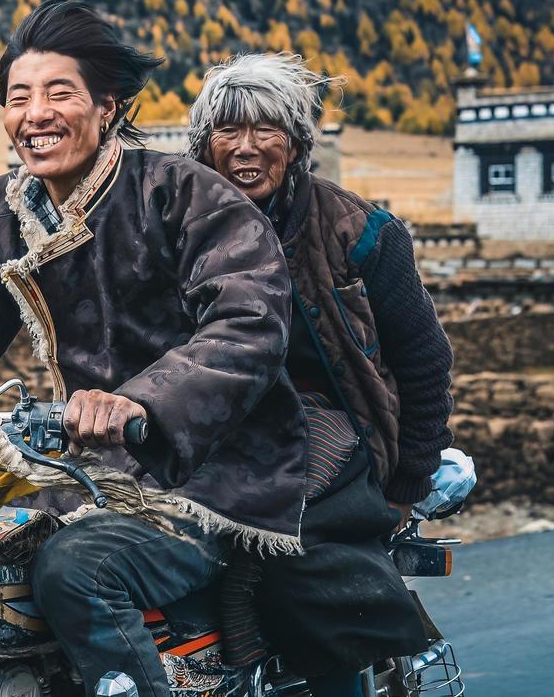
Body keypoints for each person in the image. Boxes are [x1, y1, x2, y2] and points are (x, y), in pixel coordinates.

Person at [0, 0, 308, 697]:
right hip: (86, 469)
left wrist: (137, 401)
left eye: (58, 93)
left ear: (107, 106)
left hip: (210, 477)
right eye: (18, 97)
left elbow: (247, 323)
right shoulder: (7, 213)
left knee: (76, 570)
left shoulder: (182, 192)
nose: (35, 112)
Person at [187, 52, 453, 696]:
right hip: (219, 438)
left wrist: (404, 485)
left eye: (266, 130)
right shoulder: (181, 230)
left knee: (307, 586)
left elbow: (423, 361)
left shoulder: (359, 233)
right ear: (203, 146)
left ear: (298, 143)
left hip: (336, 436)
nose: (245, 149)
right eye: (227, 131)